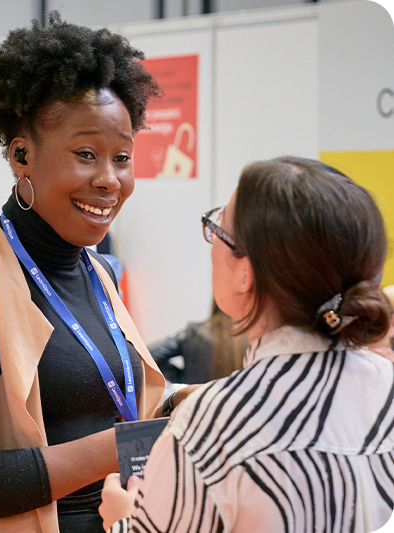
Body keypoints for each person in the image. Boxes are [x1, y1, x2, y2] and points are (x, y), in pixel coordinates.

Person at [0, 13, 167, 533]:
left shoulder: (99, 272)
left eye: (122, 157)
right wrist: (127, 445)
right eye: (86, 155)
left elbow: (106, 409)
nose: (109, 180)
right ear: (21, 155)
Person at [99, 156, 394, 532]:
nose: (211, 242)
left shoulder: (214, 424)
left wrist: (124, 518)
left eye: (218, 227)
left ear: (245, 274)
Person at [148, 300, 248, 384]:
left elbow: (148, 354)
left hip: (196, 403)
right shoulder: (256, 338)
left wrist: (181, 378)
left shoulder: (194, 332)